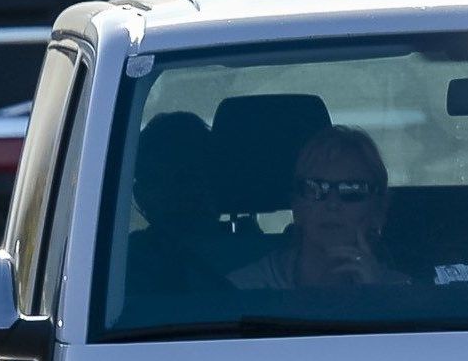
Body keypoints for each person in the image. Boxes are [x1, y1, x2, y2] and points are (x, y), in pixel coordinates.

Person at [230, 126, 409, 289]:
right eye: (315, 188)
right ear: (296, 205)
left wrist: (376, 298)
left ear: (378, 210)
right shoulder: (242, 293)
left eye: (352, 190)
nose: (332, 204)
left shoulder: (405, 297)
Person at [124, 111, 233, 294]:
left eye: (186, 177)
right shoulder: (123, 265)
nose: (175, 193)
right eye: (157, 180)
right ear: (139, 194)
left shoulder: (283, 263)